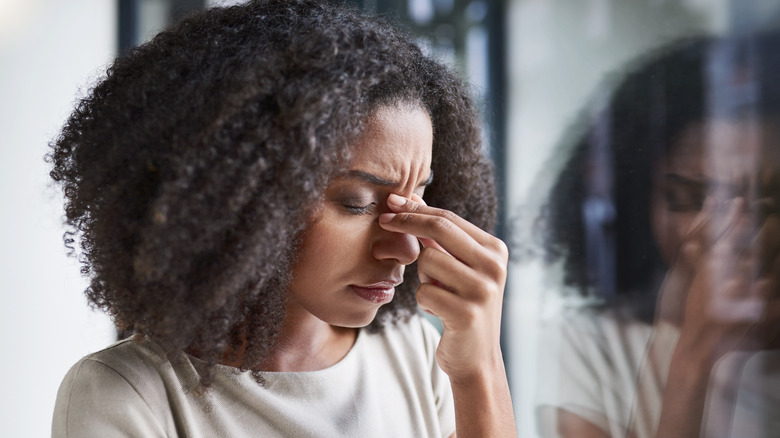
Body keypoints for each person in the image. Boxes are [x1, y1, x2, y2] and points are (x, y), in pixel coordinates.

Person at [48, 1, 516, 436]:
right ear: (239, 196)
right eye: (357, 202)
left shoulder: (414, 351)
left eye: (418, 196)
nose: (407, 248)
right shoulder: (126, 394)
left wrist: (481, 370)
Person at [535, 33, 780, 438]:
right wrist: (693, 353)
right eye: (686, 197)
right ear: (637, 201)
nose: (727, 228)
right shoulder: (594, 344)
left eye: (765, 201)